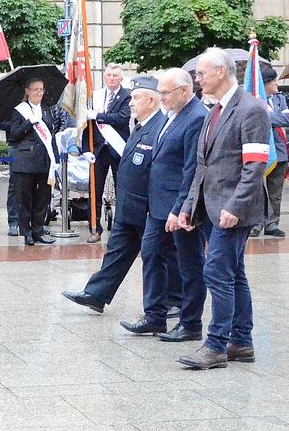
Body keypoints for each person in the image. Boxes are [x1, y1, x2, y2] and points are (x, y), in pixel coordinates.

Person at [177, 48, 271, 370]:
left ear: (220, 72)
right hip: (212, 207)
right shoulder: (213, 110)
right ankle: (242, 342)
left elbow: (255, 166)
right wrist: (190, 205)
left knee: (216, 271)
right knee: (234, 273)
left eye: (201, 73)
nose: (197, 79)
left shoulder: (251, 109)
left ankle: (216, 345)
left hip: (234, 210)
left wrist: (236, 205)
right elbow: (202, 167)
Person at [61, 76, 166, 315]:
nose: (131, 103)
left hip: (147, 207)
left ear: (151, 100)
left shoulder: (159, 126)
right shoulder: (140, 124)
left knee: (160, 257)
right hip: (129, 206)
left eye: (136, 98)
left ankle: (172, 302)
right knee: (116, 250)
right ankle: (96, 294)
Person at [123, 68, 208, 342]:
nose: (161, 98)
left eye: (165, 93)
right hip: (157, 206)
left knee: (189, 264)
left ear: (185, 90)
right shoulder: (172, 115)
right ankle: (154, 317)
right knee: (151, 255)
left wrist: (180, 208)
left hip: (180, 208)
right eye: (159, 93)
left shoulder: (196, 117)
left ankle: (190, 323)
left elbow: (192, 169)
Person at [8, 77, 59, 246]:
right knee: (24, 199)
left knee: (43, 198)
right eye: (35, 89)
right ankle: (26, 232)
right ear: (27, 91)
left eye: (41, 89)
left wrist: (56, 159)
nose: (38, 93)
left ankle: (38, 230)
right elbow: (14, 134)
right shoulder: (19, 110)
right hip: (25, 161)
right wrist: (29, 123)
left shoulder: (47, 109)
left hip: (44, 161)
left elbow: (51, 135)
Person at [84, 63, 131, 243]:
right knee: (94, 190)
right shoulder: (95, 96)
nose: (112, 78)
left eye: (115, 76)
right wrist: (85, 149)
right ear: (104, 77)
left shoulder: (127, 96)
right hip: (98, 149)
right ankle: (95, 228)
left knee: (123, 190)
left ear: (121, 78)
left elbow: (122, 118)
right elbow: (86, 125)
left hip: (118, 149)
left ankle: (122, 228)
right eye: (109, 75)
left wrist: (98, 116)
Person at [250, 67, 289, 238]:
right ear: (264, 84)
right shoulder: (253, 99)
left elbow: (288, 119)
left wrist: (265, 114)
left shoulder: (280, 99)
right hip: (259, 150)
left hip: (279, 150)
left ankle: (272, 223)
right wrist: (270, 116)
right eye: (273, 81)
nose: (276, 84)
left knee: (275, 190)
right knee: (256, 190)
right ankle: (255, 223)